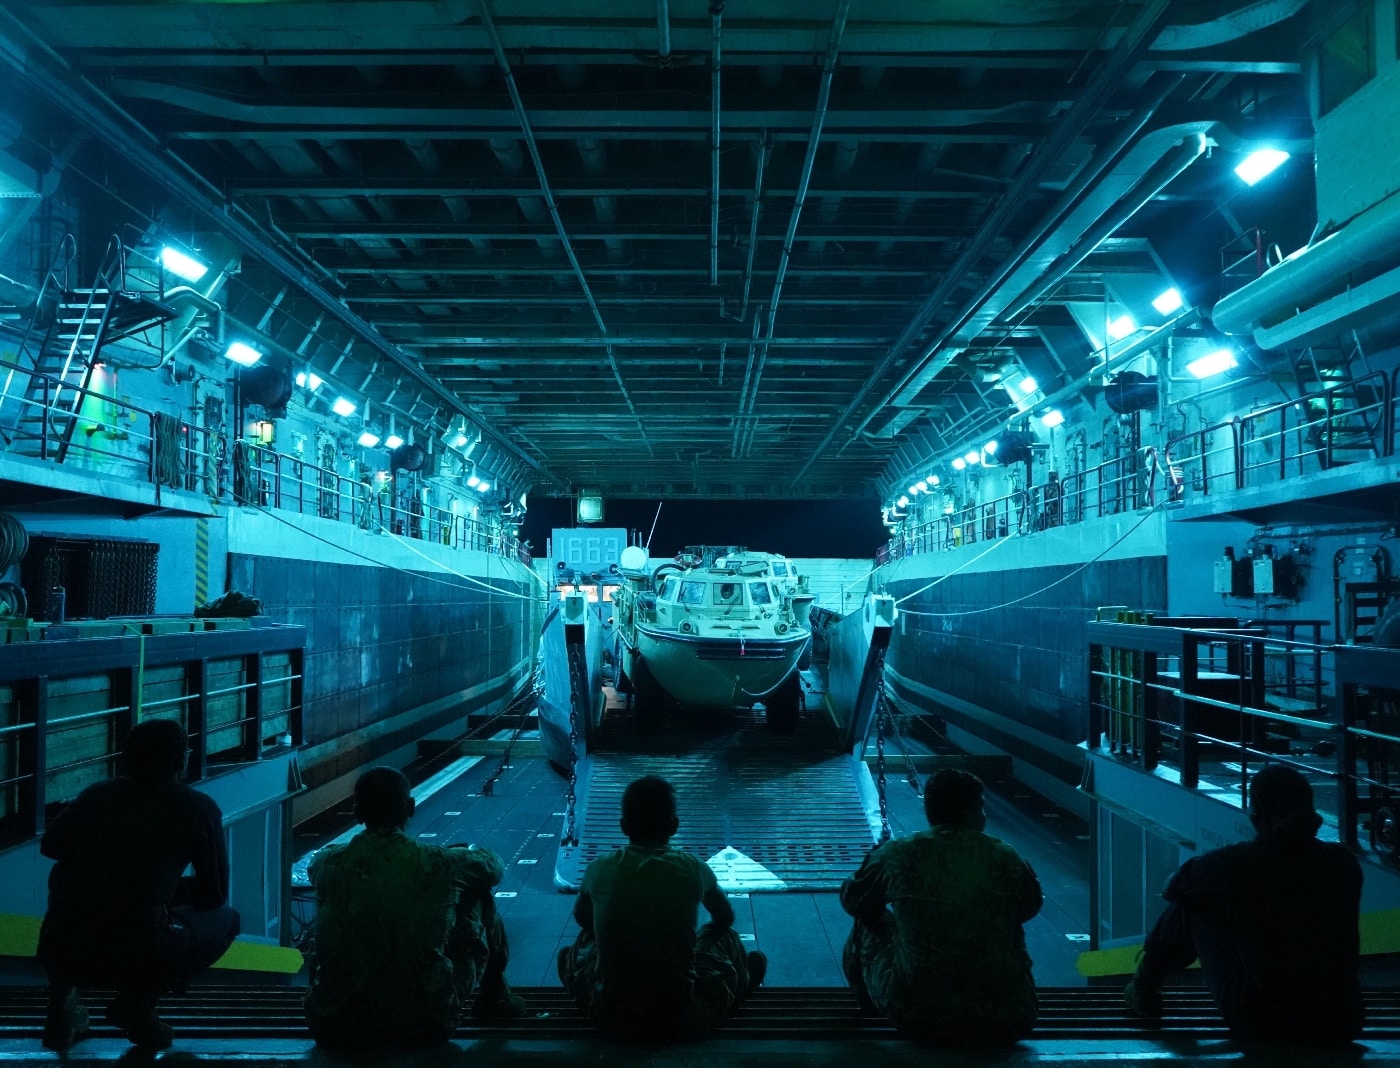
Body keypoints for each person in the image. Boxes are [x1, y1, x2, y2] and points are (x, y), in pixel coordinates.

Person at [37, 718, 240, 1051]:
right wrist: (159, 889)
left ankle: (62, 1006)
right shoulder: (198, 808)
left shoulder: (95, 796)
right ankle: (138, 1003)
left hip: (65, 946)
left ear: (127, 758)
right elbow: (213, 893)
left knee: (67, 887)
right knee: (227, 919)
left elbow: (52, 847)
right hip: (135, 949)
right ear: (181, 759)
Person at [1125, 763, 1364, 1044]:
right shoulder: (1344, 863)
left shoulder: (1232, 864)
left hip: (1263, 1020)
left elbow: (1173, 888)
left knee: (1193, 901)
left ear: (1256, 815)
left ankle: (1143, 985)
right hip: (1342, 1020)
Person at [304, 766, 525, 1049]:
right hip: (423, 1025)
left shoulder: (327, 863)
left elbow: (321, 868)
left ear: (358, 813)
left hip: (332, 1024)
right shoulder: (440, 863)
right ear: (410, 807)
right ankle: (495, 998)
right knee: (477, 893)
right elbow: (494, 868)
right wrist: (461, 854)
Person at [840, 768, 1042, 1045]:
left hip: (920, 1017)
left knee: (868, 918)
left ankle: (868, 1005)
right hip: (1010, 1017)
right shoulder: (1006, 856)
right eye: (981, 807)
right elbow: (1029, 908)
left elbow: (853, 900)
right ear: (971, 812)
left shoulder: (899, 854)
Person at [557, 775, 766, 1041]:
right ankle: (741, 982)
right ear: (674, 825)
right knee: (724, 935)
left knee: (580, 943)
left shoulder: (599, 868)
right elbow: (725, 918)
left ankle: (577, 979)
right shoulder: (693, 867)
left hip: (610, 1019)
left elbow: (583, 921)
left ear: (623, 826)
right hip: (682, 1019)